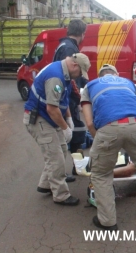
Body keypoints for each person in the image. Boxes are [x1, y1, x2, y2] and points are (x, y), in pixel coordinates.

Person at [81, 64, 136, 231]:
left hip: (108, 128)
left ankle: (107, 221)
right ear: (116, 74)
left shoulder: (91, 85)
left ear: (101, 76)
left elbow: (89, 122)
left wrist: (100, 139)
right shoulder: (128, 82)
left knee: (101, 174)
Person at [23, 53, 91, 206]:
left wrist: (68, 119)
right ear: (74, 65)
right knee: (55, 158)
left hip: (46, 118)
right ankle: (61, 195)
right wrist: (66, 128)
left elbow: (62, 100)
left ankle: (45, 184)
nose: (79, 76)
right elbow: (52, 109)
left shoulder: (63, 73)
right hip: (39, 119)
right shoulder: (56, 77)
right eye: (80, 72)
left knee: (60, 150)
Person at [53, 19, 88, 182]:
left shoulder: (64, 45)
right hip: (68, 99)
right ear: (82, 33)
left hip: (65, 98)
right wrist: (80, 97)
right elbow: (71, 75)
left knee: (73, 133)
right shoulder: (69, 48)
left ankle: (77, 166)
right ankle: (76, 167)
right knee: (74, 133)